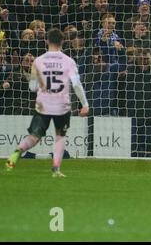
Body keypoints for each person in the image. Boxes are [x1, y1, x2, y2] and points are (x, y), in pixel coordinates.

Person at [5, 28, 89, 177]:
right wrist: (85, 104)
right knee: (60, 136)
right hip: (62, 106)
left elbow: (32, 87)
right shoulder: (69, 61)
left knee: (34, 137)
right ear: (62, 41)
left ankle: (17, 152)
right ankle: (56, 169)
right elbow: (76, 84)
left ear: (46, 41)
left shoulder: (38, 61)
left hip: (43, 105)